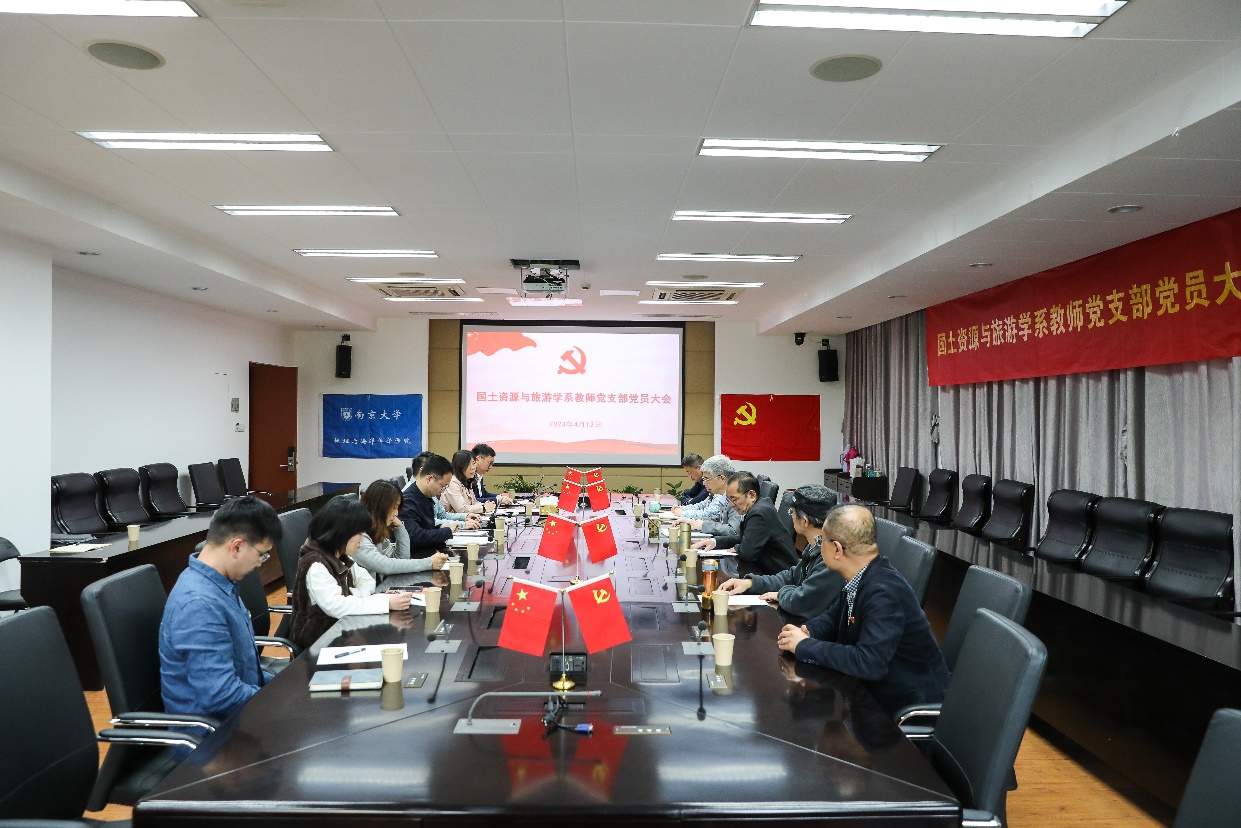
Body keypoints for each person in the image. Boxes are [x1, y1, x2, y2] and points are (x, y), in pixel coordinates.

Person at [776, 504, 950, 714]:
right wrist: (808, 631)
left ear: (837, 549)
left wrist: (805, 646)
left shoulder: (883, 592)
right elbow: (833, 618)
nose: (819, 546)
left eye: (822, 541)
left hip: (905, 709)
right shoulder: (863, 575)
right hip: (871, 695)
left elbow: (869, 662)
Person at [159, 496, 283, 721]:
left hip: (238, 716)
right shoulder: (198, 604)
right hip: (215, 734)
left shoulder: (221, 584)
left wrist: (286, 690)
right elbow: (222, 696)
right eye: (261, 555)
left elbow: (246, 672)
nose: (259, 563)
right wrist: (279, 703)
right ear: (237, 546)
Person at [289, 496, 412, 650]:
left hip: (343, 634)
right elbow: (337, 606)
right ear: (342, 532)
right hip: (317, 645)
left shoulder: (338, 555)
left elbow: (367, 581)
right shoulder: (316, 564)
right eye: (359, 534)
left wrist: (352, 596)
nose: (362, 540)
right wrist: (386, 603)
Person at [716, 485, 842, 618]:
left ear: (805, 521)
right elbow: (791, 577)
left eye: (792, 512)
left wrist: (782, 594)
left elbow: (806, 601)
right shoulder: (814, 545)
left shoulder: (830, 555)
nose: (791, 516)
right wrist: (751, 583)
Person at [693, 472, 798, 576]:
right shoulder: (758, 506)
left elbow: (747, 553)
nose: (732, 505)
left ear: (752, 495)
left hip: (779, 578)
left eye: (734, 499)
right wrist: (714, 542)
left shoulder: (759, 513)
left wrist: (738, 548)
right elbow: (743, 538)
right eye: (729, 500)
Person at [355, 479, 449, 589]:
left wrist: (400, 527)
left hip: (379, 591)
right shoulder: (359, 536)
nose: (396, 513)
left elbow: (402, 558)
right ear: (380, 506)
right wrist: (429, 563)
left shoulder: (377, 530)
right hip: (368, 596)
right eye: (394, 507)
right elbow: (386, 566)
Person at [670, 454, 742, 542]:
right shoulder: (722, 495)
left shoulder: (736, 497)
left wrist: (703, 525)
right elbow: (717, 518)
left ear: (722, 479)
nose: (704, 483)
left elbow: (734, 531)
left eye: (707, 479)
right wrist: (692, 522)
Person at [399, 452, 456, 558]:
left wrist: (439, 527)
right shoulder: (407, 501)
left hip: (428, 554)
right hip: (415, 559)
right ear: (429, 479)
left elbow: (425, 528)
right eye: (442, 486)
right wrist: (446, 532)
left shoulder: (425, 496)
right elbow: (416, 537)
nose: (443, 491)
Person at [411, 452, 481, 531]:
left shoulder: (427, 492)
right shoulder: (411, 497)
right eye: (442, 486)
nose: (442, 491)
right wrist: (461, 524)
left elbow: (442, 515)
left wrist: (465, 517)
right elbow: (429, 522)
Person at [441, 449, 494, 516]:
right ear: (459, 466)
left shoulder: (467, 480)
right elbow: (462, 509)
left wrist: (486, 505)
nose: (473, 468)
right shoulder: (452, 482)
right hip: (451, 521)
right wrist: (483, 507)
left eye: (473, 463)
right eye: (468, 465)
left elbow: (474, 502)